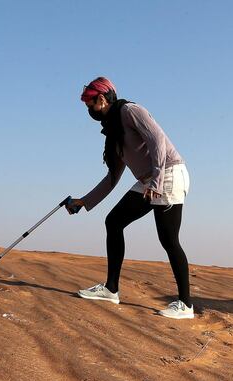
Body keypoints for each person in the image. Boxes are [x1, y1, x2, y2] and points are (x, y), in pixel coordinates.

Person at [66, 77, 193, 319]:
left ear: (101, 100)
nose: (89, 111)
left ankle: (186, 305)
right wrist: (84, 201)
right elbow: (112, 178)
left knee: (168, 239)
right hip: (148, 180)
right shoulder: (114, 132)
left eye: (89, 105)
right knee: (113, 222)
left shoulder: (130, 111)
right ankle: (111, 289)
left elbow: (158, 141)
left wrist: (156, 180)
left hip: (168, 173)